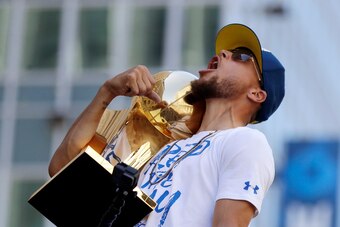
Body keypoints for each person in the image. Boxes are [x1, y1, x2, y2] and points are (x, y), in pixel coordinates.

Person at [49, 23, 285, 226]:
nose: (223, 53)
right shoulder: (170, 144)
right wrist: (107, 92)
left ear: (257, 94)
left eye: (241, 56)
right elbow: (62, 170)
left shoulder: (246, 142)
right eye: (228, 51)